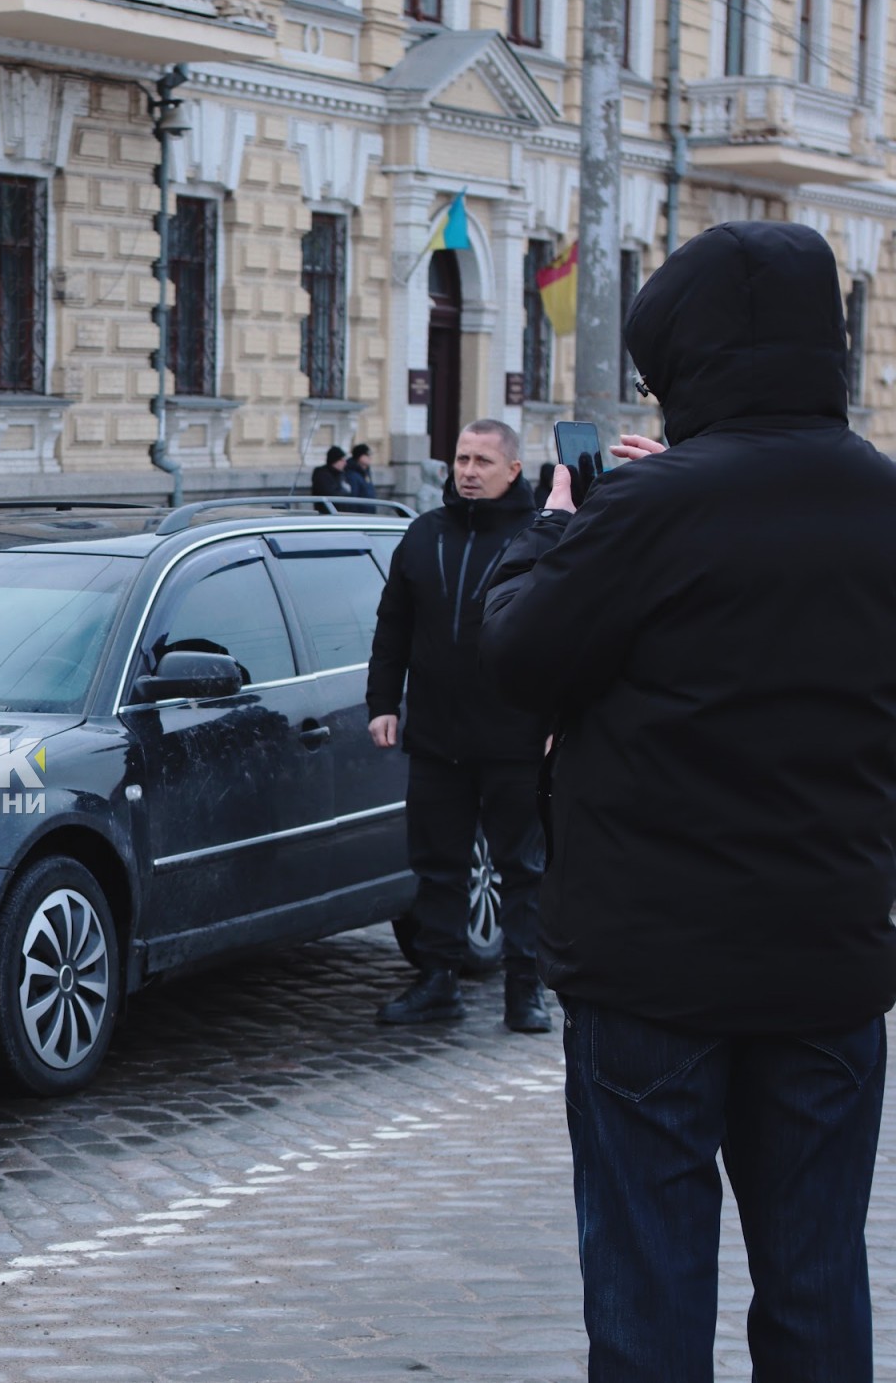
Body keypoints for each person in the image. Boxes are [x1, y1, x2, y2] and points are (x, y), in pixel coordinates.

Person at [482, 221, 896, 1381]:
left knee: (649, 1290)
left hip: (649, 967)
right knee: (815, 1282)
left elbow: (516, 657)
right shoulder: (880, 501)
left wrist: (557, 525)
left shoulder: (646, 509)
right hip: (826, 958)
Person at [366, 419, 548, 1031]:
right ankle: (438, 982)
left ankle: (526, 990)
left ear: (513, 471)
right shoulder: (423, 535)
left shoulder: (541, 537)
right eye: (461, 459)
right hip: (437, 737)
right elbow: (393, 628)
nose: (468, 471)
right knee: (437, 864)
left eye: (482, 462)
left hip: (516, 738)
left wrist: (560, 718)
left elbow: (569, 637)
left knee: (522, 868)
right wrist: (383, 704)